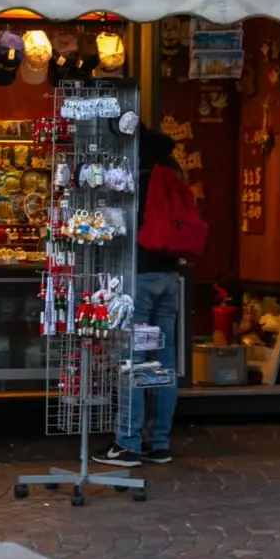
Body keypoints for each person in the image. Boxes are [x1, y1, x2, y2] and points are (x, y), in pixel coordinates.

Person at [101, 129, 187, 468]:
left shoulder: (138, 176)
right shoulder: (173, 173)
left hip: (139, 280)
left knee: (133, 361)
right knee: (162, 361)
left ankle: (128, 442)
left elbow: (117, 225)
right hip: (168, 277)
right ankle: (159, 442)